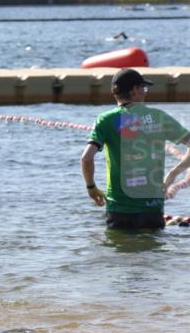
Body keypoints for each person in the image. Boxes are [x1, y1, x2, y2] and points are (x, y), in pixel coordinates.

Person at [81, 68, 190, 230]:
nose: (145, 93)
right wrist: (172, 175)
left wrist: (91, 187)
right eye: (143, 88)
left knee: (120, 250)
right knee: (153, 252)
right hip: (152, 206)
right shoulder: (158, 117)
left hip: (119, 207)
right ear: (134, 90)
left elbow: (86, 158)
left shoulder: (105, 120)